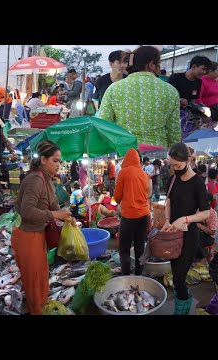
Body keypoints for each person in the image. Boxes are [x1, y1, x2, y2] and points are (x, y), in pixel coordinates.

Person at [11, 140, 75, 314]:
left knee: (40, 277)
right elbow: (27, 211)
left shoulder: (46, 179)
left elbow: (52, 204)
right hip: (25, 235)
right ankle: (36, 311)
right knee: (34, 281)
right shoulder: (35, 180)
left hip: (37, 233)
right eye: (55, 160)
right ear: (43, 160)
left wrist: (67, 216)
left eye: (59, 161)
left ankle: (40, 308)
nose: (58, 165)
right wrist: (55, 215)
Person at [99, 46, 181, 148]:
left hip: (125, 153)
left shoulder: (114, 89)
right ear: (151, 65)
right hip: (158, 155)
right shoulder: (171, 91)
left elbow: (103, 125)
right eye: (158, 65)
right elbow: (174, 132)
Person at [162, 143, 210, 315]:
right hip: (173, 235)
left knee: (179, 278)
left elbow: (206, 212)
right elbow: (167, 202)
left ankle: (181, 311)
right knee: (176, 275)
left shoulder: (197, 182)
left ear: (188, 160)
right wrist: (167, 220)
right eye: (172, 164)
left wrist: (186, 219)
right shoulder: (172, 179)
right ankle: (183, 301)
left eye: (178, 165)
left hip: (189, 237)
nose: (174, 168)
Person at [114, 148, 151, 276]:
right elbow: (146, 193)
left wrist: (121, 200)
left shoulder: (123, 172)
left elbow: (117, 196)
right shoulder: (144, 174)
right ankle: (139, 274)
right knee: (140, 246)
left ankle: (126, 276)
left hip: (129, 216)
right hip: (144, 215)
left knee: (124, 248)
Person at [169, 55, 212, 139]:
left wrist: (204, 112)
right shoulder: (175, 78)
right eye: (203, 69)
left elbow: (193, 101)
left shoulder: (198, 82)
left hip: (188, 116)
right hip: (173, 115)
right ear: (194, 66)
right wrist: (179, 100)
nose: (204, 73)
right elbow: (167, 97)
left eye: (206, 71)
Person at [195, 193, 217, 264]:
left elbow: (212, 232)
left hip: (208, 237)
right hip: (197, 233)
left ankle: (202, 258)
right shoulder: (196, 210)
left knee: (196, 239)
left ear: (209, 202)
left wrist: (199, 225)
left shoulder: (213, 214)